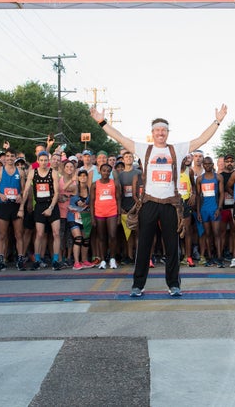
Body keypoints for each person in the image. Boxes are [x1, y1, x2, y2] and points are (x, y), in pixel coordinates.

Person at [92, 105, 227, 298]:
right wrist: (101, 122)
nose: (160, 132)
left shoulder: (177, 149)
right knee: (144, 245)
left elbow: (202, 139)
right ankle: (138, 285)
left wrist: (217, 121)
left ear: (168, 132)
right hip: (149, 203)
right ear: (152, 133)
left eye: (164, 129)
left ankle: (173, 285)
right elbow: (120, 137)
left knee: (172, 246)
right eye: (157, 130)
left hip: (170, 204)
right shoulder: (144, 149)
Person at [28, 150, 63, 270]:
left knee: (56, 233)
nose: (43, 162)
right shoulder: (33, 172)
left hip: (52, 205)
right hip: (39, 205)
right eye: (41, 160)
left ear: (48, 161)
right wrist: (22, 206)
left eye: (45, 160)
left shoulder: (53, 172)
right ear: (38, 161)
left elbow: (57, 192)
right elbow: (27, 188)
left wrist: (51, 208)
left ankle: (55, 260)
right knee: (39, 234)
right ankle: (37, 260)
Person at [0, 149, 26, 271]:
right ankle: (1, 260)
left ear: (15, 157)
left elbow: (23, 189)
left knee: (18, 234)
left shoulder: (20, 172)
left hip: (16, 206)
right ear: (5, 158)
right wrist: (1, 195)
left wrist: (20, 195)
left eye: (12, 156)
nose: (10, 158)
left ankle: (20, 259)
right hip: (4, 205)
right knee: (2, 235)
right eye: (8, 156)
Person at [90, 161, 122, 269]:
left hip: (112, 212)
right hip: (99, 213)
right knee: (101, 237)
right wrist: (92, 217)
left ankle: (112, 259)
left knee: (112, 236)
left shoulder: (115, 183)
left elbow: (118, 199)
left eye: (108, 171)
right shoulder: (95, 184)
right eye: (104, 170)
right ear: (100, 172)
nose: (106, 173)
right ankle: (103, 260)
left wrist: (119, 215)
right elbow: (91, 201)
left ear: (110, 172)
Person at [195, 156, 224, 267]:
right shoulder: (200, 179)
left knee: (217, 233)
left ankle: (219, 257)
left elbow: (221, 193)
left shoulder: (218, 177)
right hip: (204, 210)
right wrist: (198, 212)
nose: (207, 166)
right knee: (207, 234)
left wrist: (219, 208)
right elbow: (198, 196)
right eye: (205, 164)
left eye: (209, 164)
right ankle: (210, 257)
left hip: (214, 209)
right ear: (203, 165)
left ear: (213, 165)